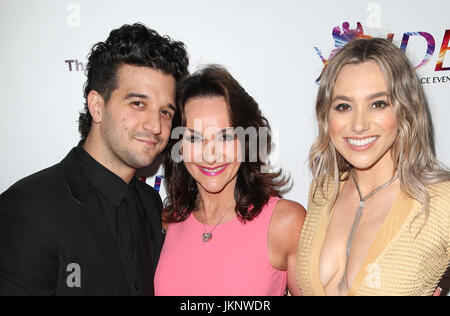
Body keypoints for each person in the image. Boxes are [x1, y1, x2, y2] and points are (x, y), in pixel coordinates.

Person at [0, 23, 189, 296]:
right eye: (138, 104)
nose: (156, 126)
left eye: (166, 112)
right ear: (97, 106)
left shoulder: (150, 204)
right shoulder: (28, 208)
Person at [296, 38, 450, 296]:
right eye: (343, 106)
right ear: (326, 116)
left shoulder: (441, 200)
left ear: (406, 109)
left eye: (378, 104)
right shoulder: (322, 190)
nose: (358, 125)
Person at [154, 65, 305, 296]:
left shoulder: (285, 223)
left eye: (224, 137)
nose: (210, 155)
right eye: (194, 138)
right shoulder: (167, 222)